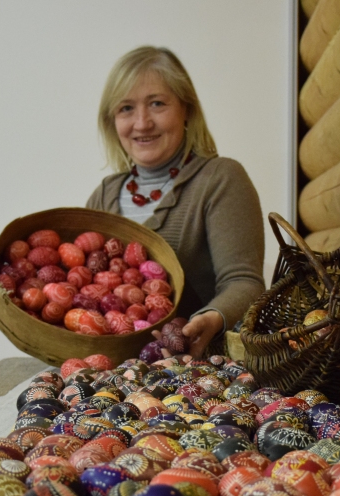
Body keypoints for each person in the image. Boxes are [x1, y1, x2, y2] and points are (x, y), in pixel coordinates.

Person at [87, 46, 265, 357]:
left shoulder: (220, 178)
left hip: (200, 371)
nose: (142, 123)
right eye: (126, 108)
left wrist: (208, 320)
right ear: (112, 120)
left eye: (157, 103)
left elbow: (244, 282)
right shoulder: (103, 195)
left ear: (187, 110)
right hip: (115, 375)